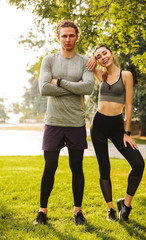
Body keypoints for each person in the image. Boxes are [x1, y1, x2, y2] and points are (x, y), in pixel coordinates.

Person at [33, 20, 94, 226]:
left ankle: (78, 212)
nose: (68, 39)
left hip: (76, 123)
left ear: (77, 37)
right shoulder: (48, 60)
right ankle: (42, 211)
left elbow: (87, 89)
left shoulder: (85, 62)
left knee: (76, 167)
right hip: (53, 123)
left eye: (71, 35)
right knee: (49, 167)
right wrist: (73, 86)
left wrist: (58, 81)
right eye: (64, 35)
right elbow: (43, 88)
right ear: (57, 37)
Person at [87, 45, 145, 222]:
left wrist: (127, 132)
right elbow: (82, 63)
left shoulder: (126, 75)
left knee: (138, 163)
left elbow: (128, 105)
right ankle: (110, 209)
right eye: (98, 56)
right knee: (104, 168)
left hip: (117, 126)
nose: (103, 57)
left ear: (111, 53)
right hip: (98, 125)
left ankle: (125, 205)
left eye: (105, 53)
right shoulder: (99, 74)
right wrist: (91, 59)